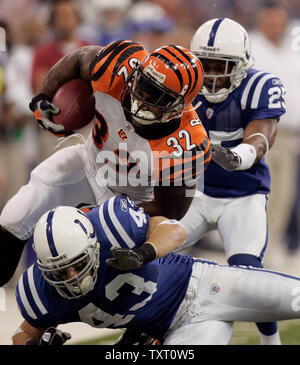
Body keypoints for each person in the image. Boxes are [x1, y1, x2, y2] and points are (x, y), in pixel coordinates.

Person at [0, 40, 210, 288]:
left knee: (82, 263)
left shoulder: (186, 144)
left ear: (178, 106)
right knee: (17, 213)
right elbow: (78, 59)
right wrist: (45, 95)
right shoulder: (120, 66)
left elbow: (170, 211)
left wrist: (97, 214)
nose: (142, 97)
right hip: (88, 162)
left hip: (131, 202)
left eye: (156, 95)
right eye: (143, 85)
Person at [12, 195, 300, 345]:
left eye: (76, 264)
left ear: (92, 245)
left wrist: (142, 253)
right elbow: (23, 333)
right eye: (60, 272)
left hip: (203, 284)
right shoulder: (41, 292)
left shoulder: (113, 226)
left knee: (295, 297)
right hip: (182, 330)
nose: (72, 277)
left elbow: (175, 230)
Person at [176, 17, 286, 345]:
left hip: (242, 195)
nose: (210, 74)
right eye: (204, 64)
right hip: (192, 192)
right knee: (154, 259)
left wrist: (239, 156)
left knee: (246, 274)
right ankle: (143, 335)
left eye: (219, 65)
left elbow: (263, 136)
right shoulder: (181, 84)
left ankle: (271, 342)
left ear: (240, 65)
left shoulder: (259, 86)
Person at [249, 2, 300, 262]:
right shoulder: (253, 48)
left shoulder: (292, 48)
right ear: (261, 21)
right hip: (263, 130)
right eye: (271, 21)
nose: (276, 27)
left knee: (285, 195)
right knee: (262, 192)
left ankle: (274, 243)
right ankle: (257, 245)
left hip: (291, 135)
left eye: (280, 22)